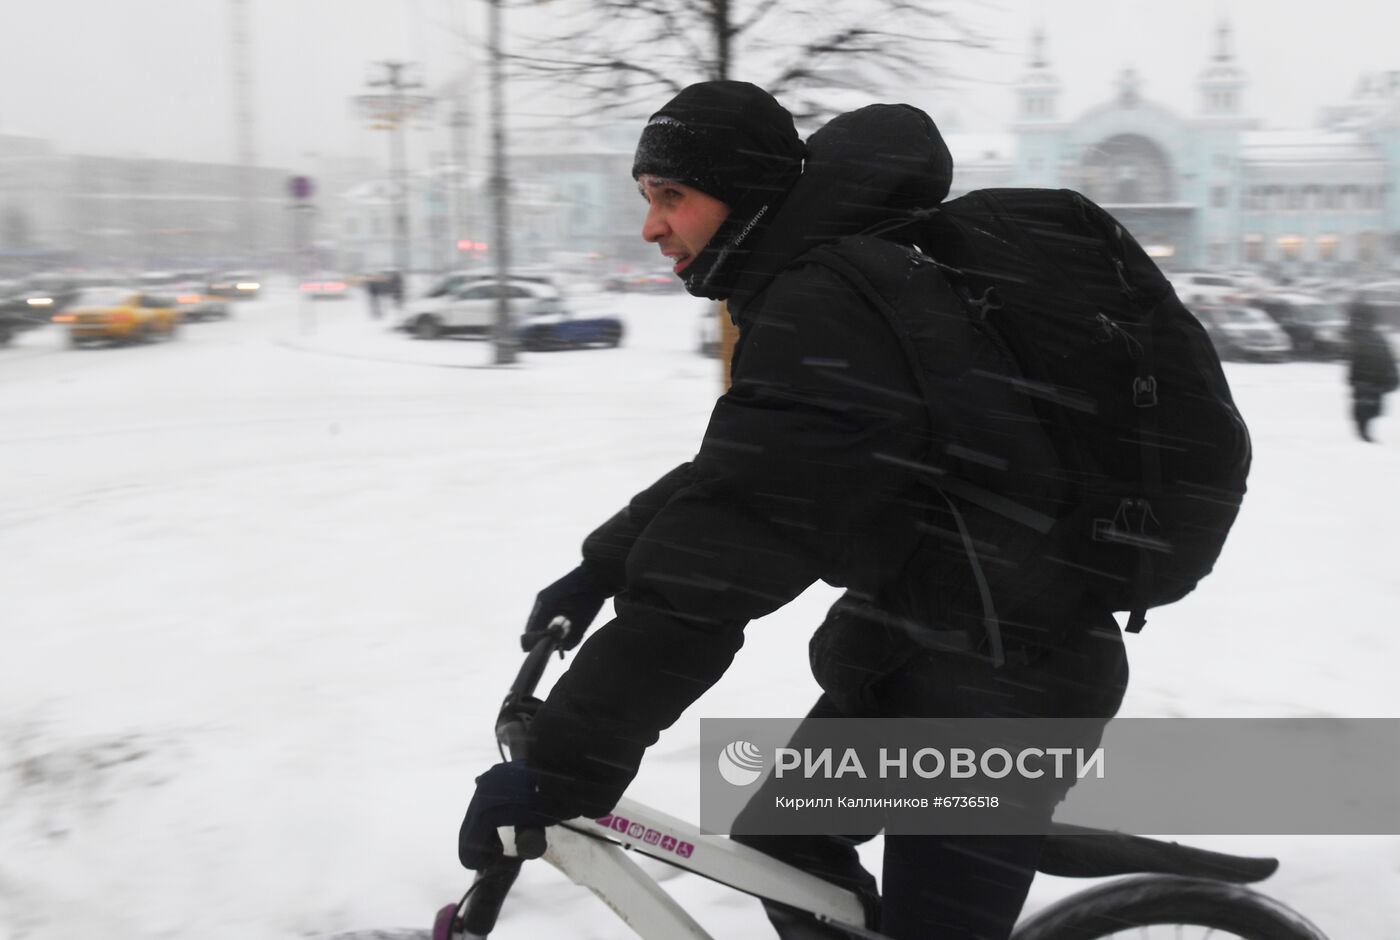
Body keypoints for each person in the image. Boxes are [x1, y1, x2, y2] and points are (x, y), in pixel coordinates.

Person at [457, 81, 1129, 940]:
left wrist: (565, 766)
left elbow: (733, 547)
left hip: (1008, 687)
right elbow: (742, 475)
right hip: (936, 652)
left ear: (742, 201)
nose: (651, 226)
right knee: (784, 838)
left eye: (673, 196)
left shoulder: (833, 306)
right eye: (646, 198)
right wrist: (604, 563)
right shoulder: (827, 287)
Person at [1346, 298, 1397, 442]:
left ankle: (1364, 434)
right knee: (1368, 409)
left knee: (1364, 410)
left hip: (1366, 381)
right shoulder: (1375, 339)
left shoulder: (1363, 339)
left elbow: (1355, 362)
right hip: (1372, 381)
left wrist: (1353, 379)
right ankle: (1364, 434)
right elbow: (1387, 360)